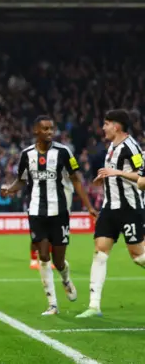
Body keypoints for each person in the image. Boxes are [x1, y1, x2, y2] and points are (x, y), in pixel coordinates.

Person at [2, 116, 98, 315]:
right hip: (37, 211)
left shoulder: (63, 152)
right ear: (36, 131)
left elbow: (76, 180)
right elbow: (21, 180)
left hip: (59, 212)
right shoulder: (27, 154)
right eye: (45, 129)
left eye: (51, 128)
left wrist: (88, 206)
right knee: (43, 256)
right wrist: (10, 189)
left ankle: (65, 279)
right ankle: (52, 304)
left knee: (58, 260)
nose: (49, 132)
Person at [77, 109, 145, 318]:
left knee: (138, 256)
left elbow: (142, 179)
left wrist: (117, 173)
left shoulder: (131, 147)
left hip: (130, 208)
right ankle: (94, 305)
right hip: (110, 209)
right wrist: (105, 178)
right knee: (100, 252)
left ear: (116, 126)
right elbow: (115, 174)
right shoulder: (111, 148)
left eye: (106, 124)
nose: (103, 128)